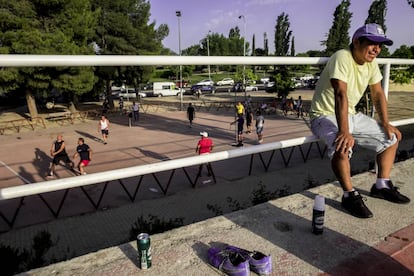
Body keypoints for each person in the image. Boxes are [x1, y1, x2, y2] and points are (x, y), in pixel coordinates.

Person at [310, 23, 410, 219]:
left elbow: (378, 93)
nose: (377, 49)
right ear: (356, 41)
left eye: (380, 45)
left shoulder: (371, 63)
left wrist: (386, 123)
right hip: (324, 114)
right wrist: (344, 132)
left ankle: (381, 185)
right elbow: (340, 93)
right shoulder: (342, 56)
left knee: (391, 138)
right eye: (372, 43)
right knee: (342, 146)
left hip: (351, 114)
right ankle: (349, 195)